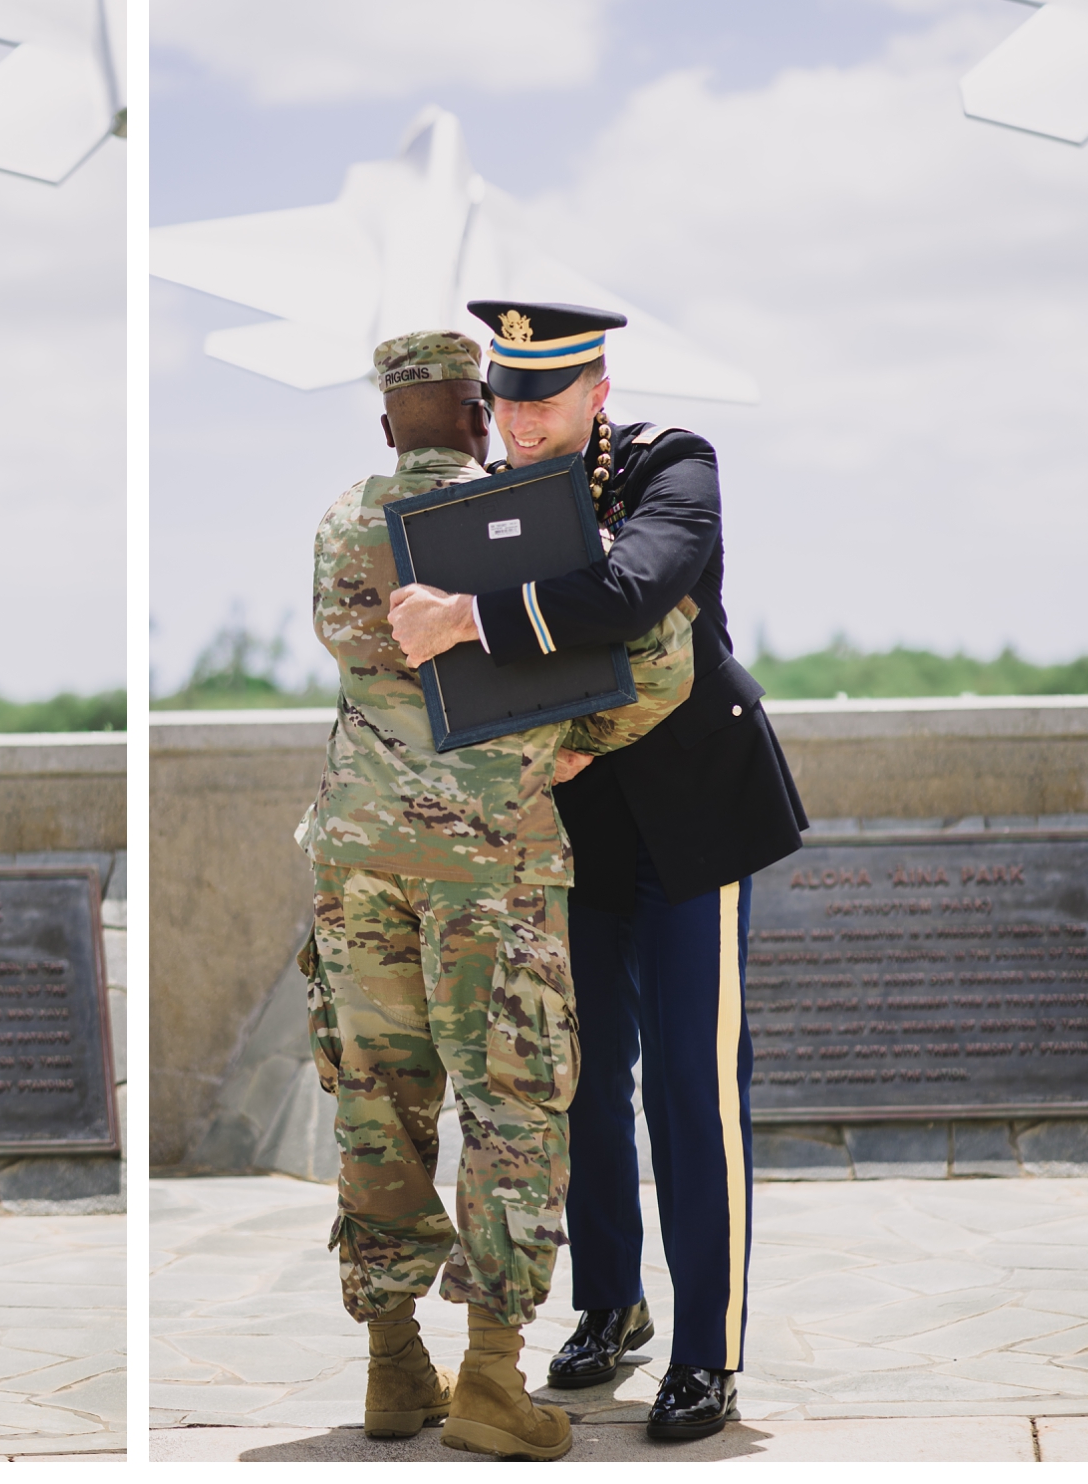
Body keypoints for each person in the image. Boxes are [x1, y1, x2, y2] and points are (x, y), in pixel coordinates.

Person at [387, 300, 808, 1442]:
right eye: (505, 402)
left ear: (595, 392)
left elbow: (632, 590)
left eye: (542, 401)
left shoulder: (673, 465)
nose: (517, 425)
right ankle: (609, 1305)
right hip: (575, 831)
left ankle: (705, 1352)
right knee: (579, 1082)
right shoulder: (487, 490)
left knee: (691, 1084)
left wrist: (468, 614)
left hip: (694, 822)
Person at [297, 330, 697, 1461]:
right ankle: (487, 1374)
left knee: (377, 1099)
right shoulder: (538, 519)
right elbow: (659, 654)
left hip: (359, 852)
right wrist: (570, 740)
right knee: (511, 1109)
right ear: (481, 411)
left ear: (387, 424)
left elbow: (349, 639)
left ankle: (390, 1368)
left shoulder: (340, 520)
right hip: (493, 860)